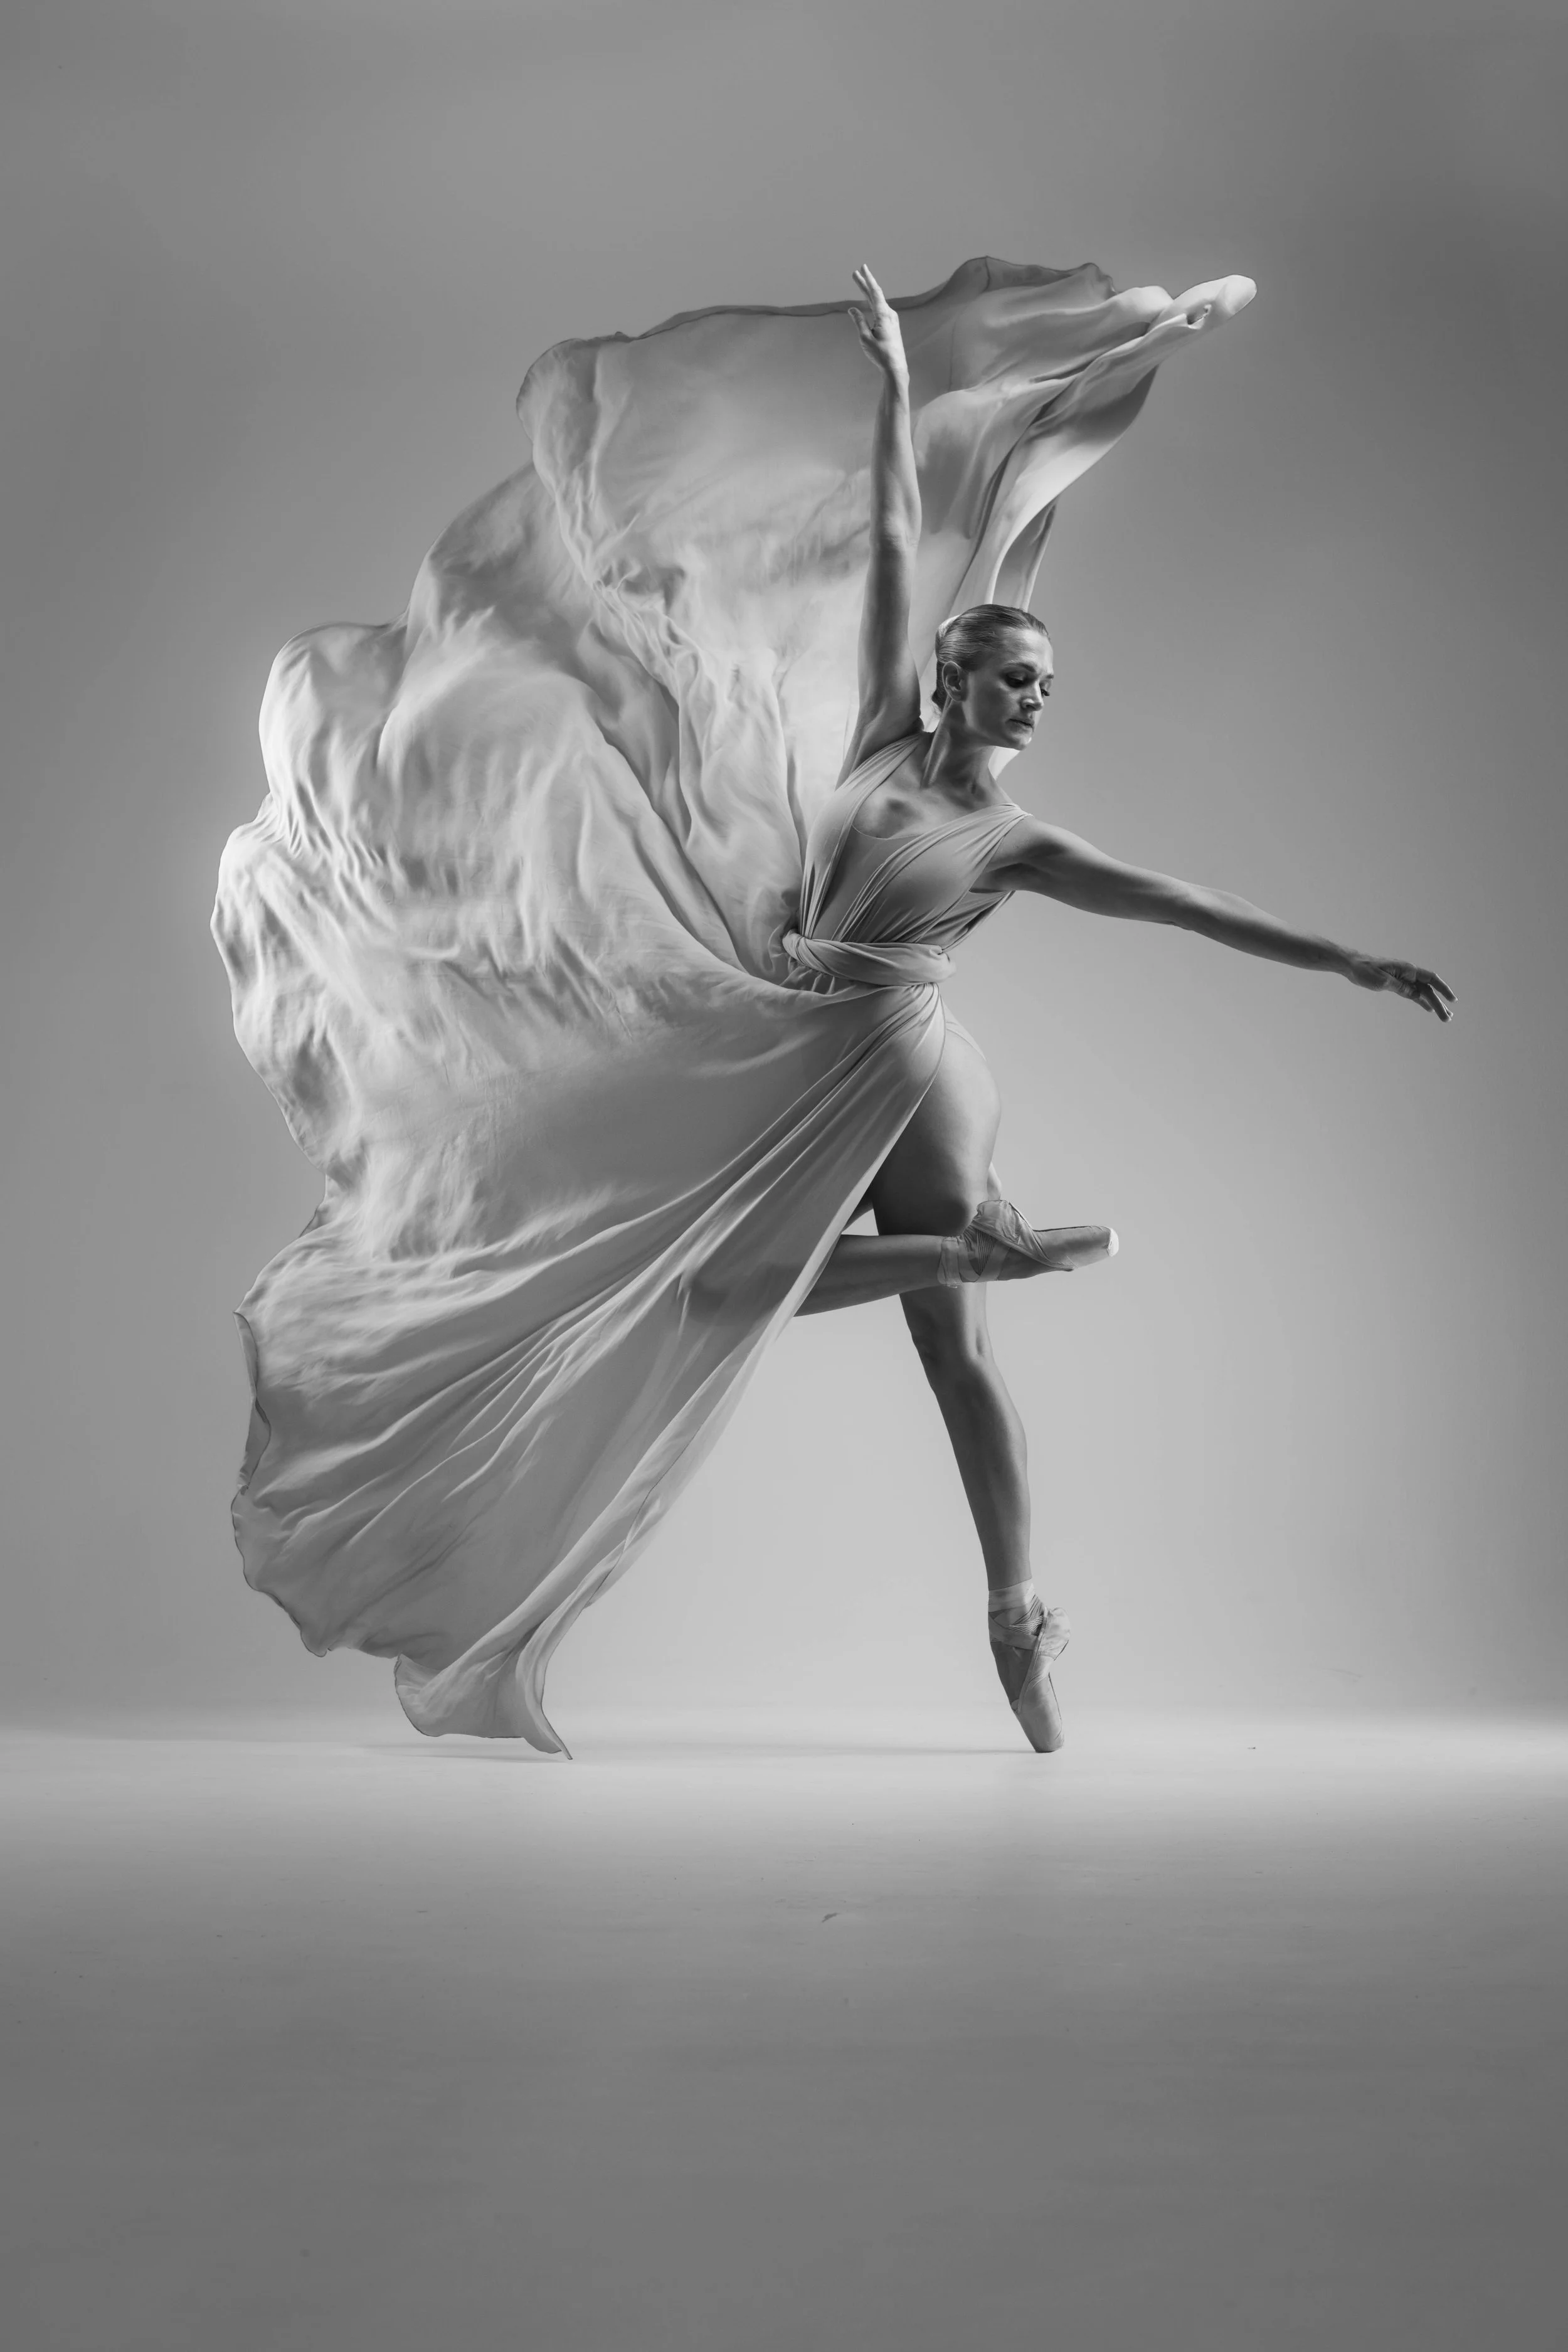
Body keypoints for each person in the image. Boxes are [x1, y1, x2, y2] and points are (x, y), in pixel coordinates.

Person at [781, 272, 1453, 1749]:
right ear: (947, 682)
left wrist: (1347, 959)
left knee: (950, 1355)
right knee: (722, 1282)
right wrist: (893, 372)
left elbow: (1188, 905)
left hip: (906, 1068)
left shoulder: (1020, 843)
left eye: (1048, 686)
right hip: (792, 1053)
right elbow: (900, 535)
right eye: (1014, 679)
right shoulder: (872, 739)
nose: (1036, 702)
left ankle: (1014, 1616)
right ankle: (980, 1250)